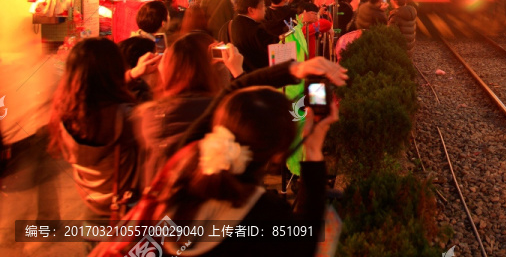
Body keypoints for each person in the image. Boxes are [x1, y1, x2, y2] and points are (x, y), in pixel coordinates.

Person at [95, 57, 347, 257]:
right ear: (279, 153)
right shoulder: (265, 215)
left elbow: (232, 93)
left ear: (220, 120)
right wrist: (313, 150)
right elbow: (305, 243)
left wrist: (293, 69)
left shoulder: (186, 161)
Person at [49, 38, 161, 215]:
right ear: (113, 70)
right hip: (125, 203)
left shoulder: (65, 113)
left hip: (91, 200)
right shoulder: (125, 117)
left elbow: (94, 90)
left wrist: (133, 74)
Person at [131, 33, 243, 191]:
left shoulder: (147, 116)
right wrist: (238, 72)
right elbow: (262, 133)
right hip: (210, 209)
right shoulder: (223, 114)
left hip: (165, 211)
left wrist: (132, 75)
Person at [221, 0, 278, 73]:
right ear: (251, 10)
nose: (265, 9)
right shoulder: (257, 31)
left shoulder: (227, 26)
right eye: (262, 6)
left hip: (236, 77)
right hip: (255, 78)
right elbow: (275, 50)